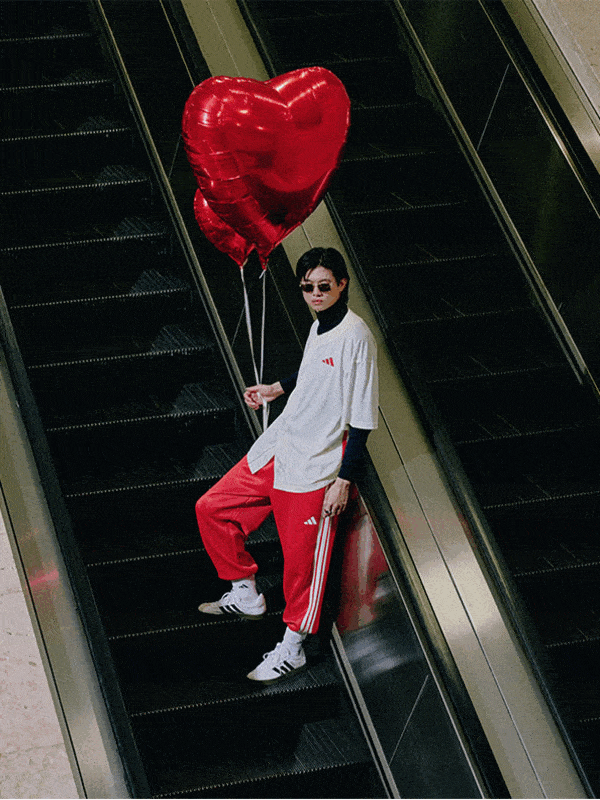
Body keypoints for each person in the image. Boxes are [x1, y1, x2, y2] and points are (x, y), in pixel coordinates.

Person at [195, 247, 379, 683]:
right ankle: (245, 592)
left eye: (323, 286)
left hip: (315, 471)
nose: (315, 294)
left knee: (302, 572)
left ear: (342, 284)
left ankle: (292, 648)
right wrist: (278, 387)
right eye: (307, 288)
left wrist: (344, 480)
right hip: (279, 448)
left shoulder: (357, 336)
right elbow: (314, 371)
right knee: (212, 507)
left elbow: (362, 418)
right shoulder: (320, 327)